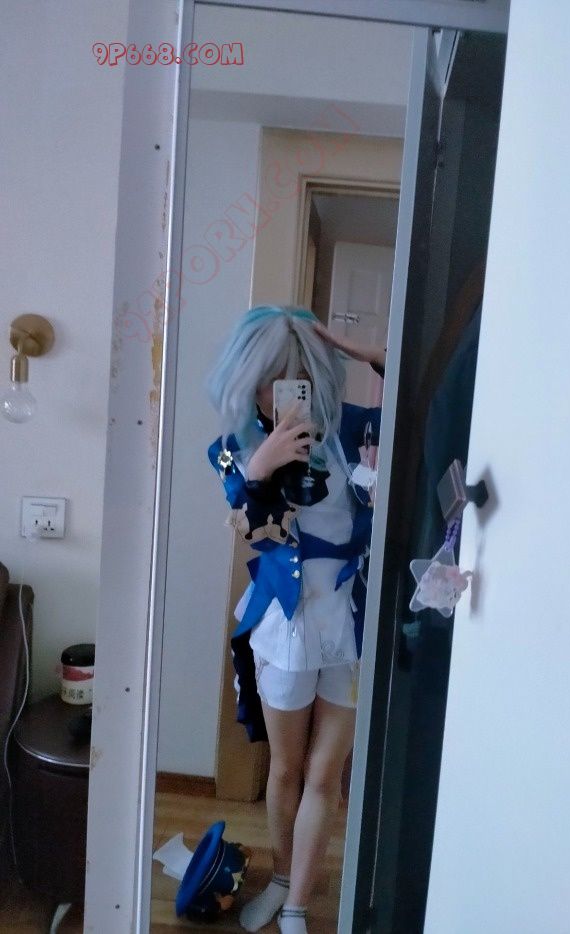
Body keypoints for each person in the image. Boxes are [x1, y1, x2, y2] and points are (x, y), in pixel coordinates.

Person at [205, 305, 385, 934]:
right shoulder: (231, 451)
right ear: (245, 379)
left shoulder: (354, 429)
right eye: (268, 380)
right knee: (285, 768)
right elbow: (252, 530)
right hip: (285, 623)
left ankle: (297, 906)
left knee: (325, 773)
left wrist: (369, 355)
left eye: (297, 377)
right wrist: (260, 468)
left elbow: (422, 409)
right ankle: (283, 877)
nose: (280, 393)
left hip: (352, 621)